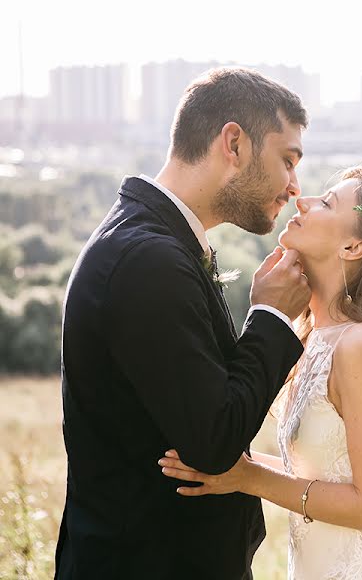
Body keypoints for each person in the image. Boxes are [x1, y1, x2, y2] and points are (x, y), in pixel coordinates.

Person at [56, 67, 311, 579]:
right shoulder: (147, 259)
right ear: (233, 143)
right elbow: (212, 441)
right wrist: (271, 318)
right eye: (288, 160)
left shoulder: (155, 243)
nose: (294, 187)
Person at [158, 166, 362, 579]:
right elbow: (321, 475)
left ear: (353, 246)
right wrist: (227, 466)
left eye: (327, 202)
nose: (303, 201)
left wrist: (250, 478)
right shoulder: (316, 338)